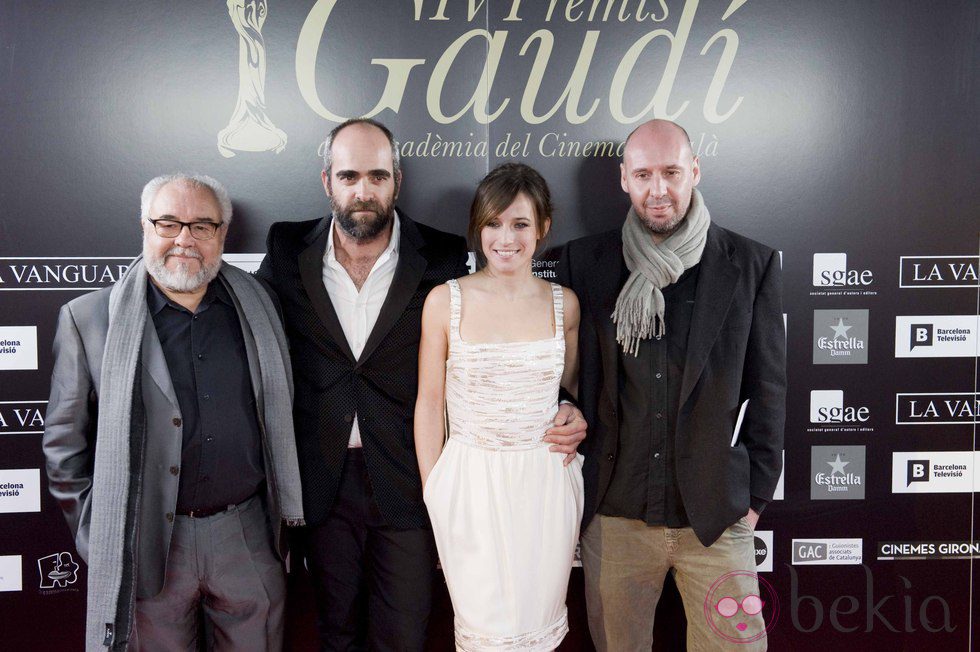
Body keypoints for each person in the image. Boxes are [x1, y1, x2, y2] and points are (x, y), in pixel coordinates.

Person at [256, 119, 589, 651]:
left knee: (405, 635)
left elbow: (524, 358)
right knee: (335, 632)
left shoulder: (437, 255)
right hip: (323, 478)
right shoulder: (287, 246)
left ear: (397, 180)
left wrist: (569, 405)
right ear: (327, 182)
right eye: (348, 176)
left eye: (377, 176)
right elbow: (256, 335)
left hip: (407, 480)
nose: (362, 190)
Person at [43, 173, 303, 651]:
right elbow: (64, 444)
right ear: (145, 227)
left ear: (223, 234)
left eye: (202, 226)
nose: (184, 239)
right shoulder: (88, 319)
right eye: (168, 223)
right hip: (147, 542)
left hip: (245, 533)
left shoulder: (260, 305)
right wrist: (99, 537)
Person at [558, 119, 786, 651]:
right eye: (643, 174)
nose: (657, 189)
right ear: (624, 180)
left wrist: (752, 499)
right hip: (615, 517)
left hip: (717, 520)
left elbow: (769, 392)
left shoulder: (750, 264)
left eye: (671, 172)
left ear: (695, 172)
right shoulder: (584, 263)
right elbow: (561, 372)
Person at [415, 163, 585, 651]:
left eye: (520, 224)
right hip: (469, 485)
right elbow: (430, 405)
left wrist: (577, 415)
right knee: (483, 634)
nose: (504, 238)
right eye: (492, 223)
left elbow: (572, 393)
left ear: (543, 228)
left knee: (538, 631)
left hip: (546, 483)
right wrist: (437, 490)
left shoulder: (564, 304)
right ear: (478, 228)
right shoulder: (445, 302)